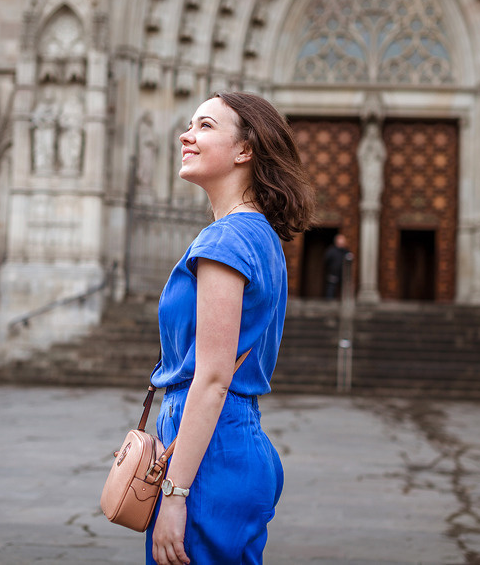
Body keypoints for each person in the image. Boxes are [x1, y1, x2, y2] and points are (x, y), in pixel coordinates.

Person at [147, 91, 315, 565]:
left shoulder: (227, 239)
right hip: (232, 441)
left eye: (204, 125)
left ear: (245, 150)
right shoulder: (261, 235)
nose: (186, 134)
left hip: (207, 454)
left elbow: (214, 377)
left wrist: (176, 494)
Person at [323, 233, 353, 299]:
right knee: (331, 287)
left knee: (345, 288)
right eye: (341, 240)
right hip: (333, 272)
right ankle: (329, 302)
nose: (343, 242)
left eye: (343, 240)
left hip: (344, 273)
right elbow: (326, 260)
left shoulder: (346, 252)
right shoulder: (331, 251)